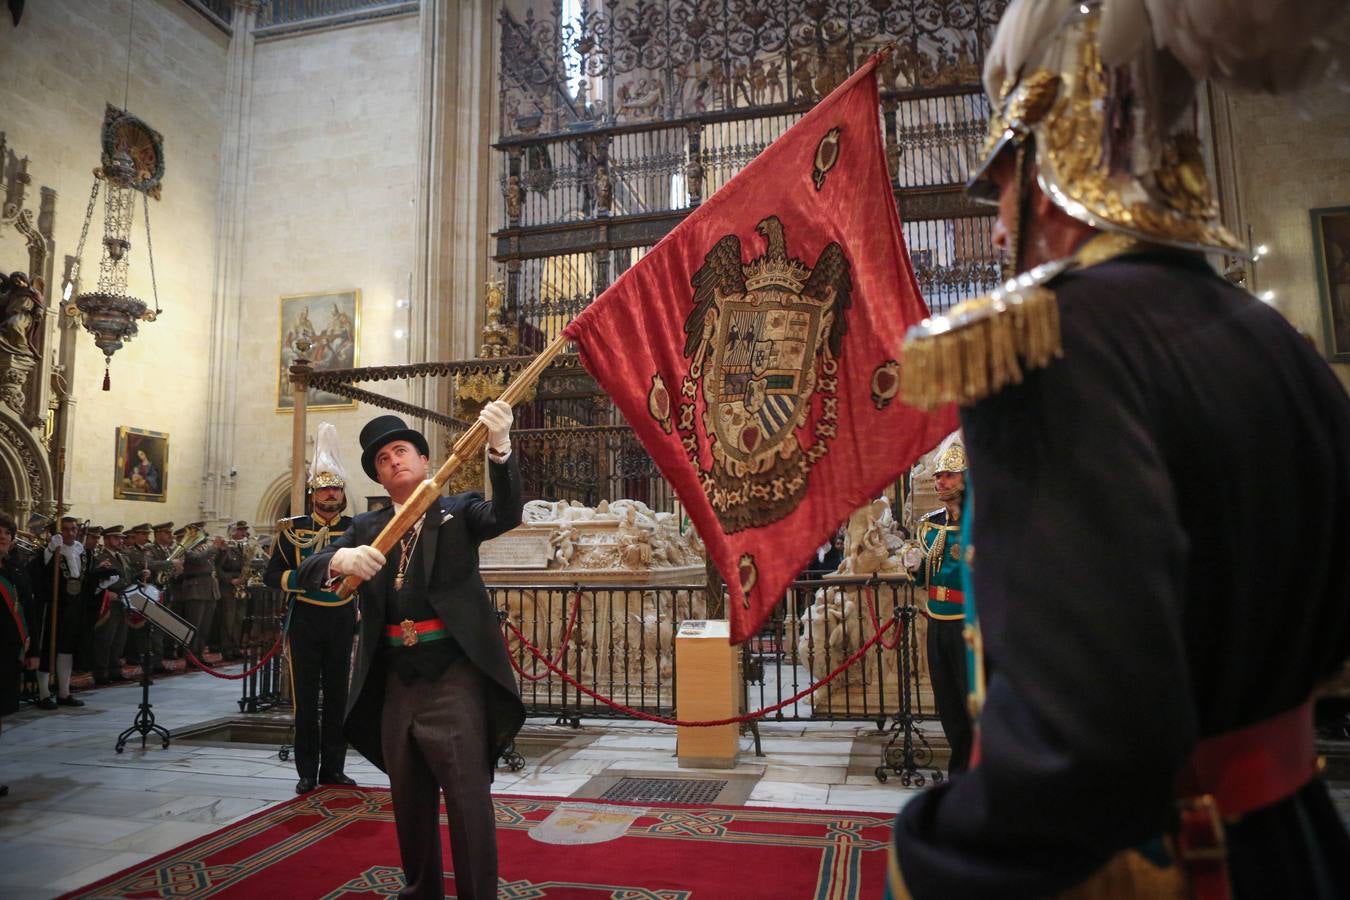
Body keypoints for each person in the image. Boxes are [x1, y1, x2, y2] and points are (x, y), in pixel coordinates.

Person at [890, 3, 1350, 898]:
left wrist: (941, 859)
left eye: (1002, 186)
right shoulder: (1279, 342)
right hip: (1295, 844)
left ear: (1051, 156)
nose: (994, 228)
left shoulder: (1054, 349)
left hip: (1152, 863)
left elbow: (1077, 746)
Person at [297, 402, 524, 900]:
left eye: (402, 451)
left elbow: (507, 513)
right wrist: (338, 556)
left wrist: (500, 449)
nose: (393, 461)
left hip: (453, 675)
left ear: (423, 461)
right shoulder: (365, 528)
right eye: (382, 459)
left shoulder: (458, 511)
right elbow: (306, 569)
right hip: (396, 677)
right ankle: (421, 890)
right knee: (410, 798)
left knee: (467, 798)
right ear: (378, 475)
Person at [264, 423, 356, 795]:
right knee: (305, 699)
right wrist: (303, 580)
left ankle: (334, 767)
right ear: (313, 494)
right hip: (306, 619)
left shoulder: (356, 528)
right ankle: (307, 771)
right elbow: (272, 575)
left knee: (338, 698)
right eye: (324, 489)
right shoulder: (291, 530)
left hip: (342, 617)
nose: (330, 494)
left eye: (335, 489)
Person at [904, 443, 972, 774]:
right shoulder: (929, 527)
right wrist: (914, 567)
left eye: (948, 475)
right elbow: (923, 579)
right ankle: (960, 772)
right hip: (936, 621)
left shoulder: (983, 524)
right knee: (947, 702)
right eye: (938, 476)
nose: (940, 482)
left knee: (972, 702)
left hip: (970, 625)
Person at [30, 516, 88, 709]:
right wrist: (49, 551)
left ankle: (64, 692)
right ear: (57, 532)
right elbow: (37, 572)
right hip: (53, 605)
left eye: (73, 529)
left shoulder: (81, 551)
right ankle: (44, 693)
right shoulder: (49, 551)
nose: (70, 533)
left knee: (66, 648)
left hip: (73, 605)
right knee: (48, 647)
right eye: (65, 529)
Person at [0, 514, 32, 798]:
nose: (3, 537)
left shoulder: (13, 569)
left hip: (7, 651)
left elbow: (24, 601)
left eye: (7, 533)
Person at [89, 525, 133, 685]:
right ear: (106, 539)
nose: (121, 540)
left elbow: (127, 577)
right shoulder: (101, 557)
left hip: (123, 601)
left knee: (119, 638)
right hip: (110, 601)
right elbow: (101, 579)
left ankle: (115, 670)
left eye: (121, 538)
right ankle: (101, 672)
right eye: (116, 538)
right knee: (105, 638)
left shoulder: (123, 556)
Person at [175, 524, 218, 657]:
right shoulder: (187, 548)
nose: (203, 533)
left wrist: (221, 549)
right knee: (194, 626)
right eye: (199, 531)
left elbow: (214, 564)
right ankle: (189, 655)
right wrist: (214, 547)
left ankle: (198, 655)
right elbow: (197, 560)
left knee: (205, 627)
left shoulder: (205, 548)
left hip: (210, 589)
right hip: (195, 589)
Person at [214, 521, 252, 661]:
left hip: (241, 586)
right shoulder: (226, 547)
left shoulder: (244, 546)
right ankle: (226, 649)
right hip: (228, 586)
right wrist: (230, 580)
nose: (243, 533)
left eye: (244, 530)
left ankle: (236, 647)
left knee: (239, 619)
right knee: (228, 620)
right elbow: (217, 567)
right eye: (240, 530)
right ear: (233, 531)